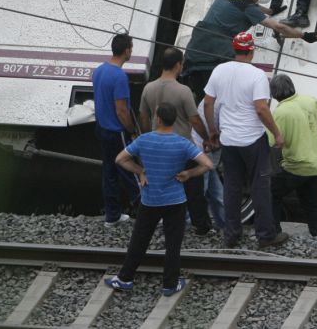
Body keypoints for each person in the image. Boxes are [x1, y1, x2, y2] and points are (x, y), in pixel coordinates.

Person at [104, 103, 213, 296]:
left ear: (158, 119)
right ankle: (170, 285)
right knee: (173, 244)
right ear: (174, 120)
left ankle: (125, 279)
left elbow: (120, 159)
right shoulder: (182, 143)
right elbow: (208, 164)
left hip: (150, 200)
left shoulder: (144, 140)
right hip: (175, 201)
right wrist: (188, 173)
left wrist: (141, 171)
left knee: (139, 240)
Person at [202, 32, 289, 249]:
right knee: (260, 186)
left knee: (232, 187)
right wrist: (277, 133)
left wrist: (213, 131)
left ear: (235, 49)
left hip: (229, 139)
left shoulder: (219, 70)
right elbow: (261, 108)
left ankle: (231, 234)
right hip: (252, 140)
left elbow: (207, 104)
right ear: (251, 50)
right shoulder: (257, 75)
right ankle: (266, 235)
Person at [182, 0, 317, 100]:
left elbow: (248, 4)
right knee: (217, 90)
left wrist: (270, 11)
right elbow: (277, 26)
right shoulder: (249, 8)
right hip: (215, 50)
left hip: (196, 44)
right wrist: (303, 35)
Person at [139, 46, 212, 235]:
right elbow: (194, 119)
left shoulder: (149, 88)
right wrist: (207, 138)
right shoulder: (184, 91)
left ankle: (160, 223)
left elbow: (144, 117)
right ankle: (201, 225)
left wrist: (148, 138)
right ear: (178, 65)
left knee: (161, 185)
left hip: (157, 145)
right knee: (193, 188)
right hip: (181, 146)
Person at [268, 73, 317, 238]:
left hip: (297, 167)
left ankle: (274, 233)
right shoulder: (310, 100)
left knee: (271, 193)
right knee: (310, 201)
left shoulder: (280, 112)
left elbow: (271, 143)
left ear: (274, 93)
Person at [92, 33, 140, 226]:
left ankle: (112, 216)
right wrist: (132, 130)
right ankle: (148, 213)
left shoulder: (99, 70)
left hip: (101, 127)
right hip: (116, 130)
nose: (132, 51)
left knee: (109, 173)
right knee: (132, 173)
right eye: (131, 48)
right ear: (126, 50)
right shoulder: (119, 76)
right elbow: (121, 111)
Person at [193, 99, 225, 231]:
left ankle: (224, 225)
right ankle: (192, 225)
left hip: (204, 154)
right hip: (204, 154)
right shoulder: (222, 102)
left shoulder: (210, 99)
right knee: (200, 193)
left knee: (217, 194)